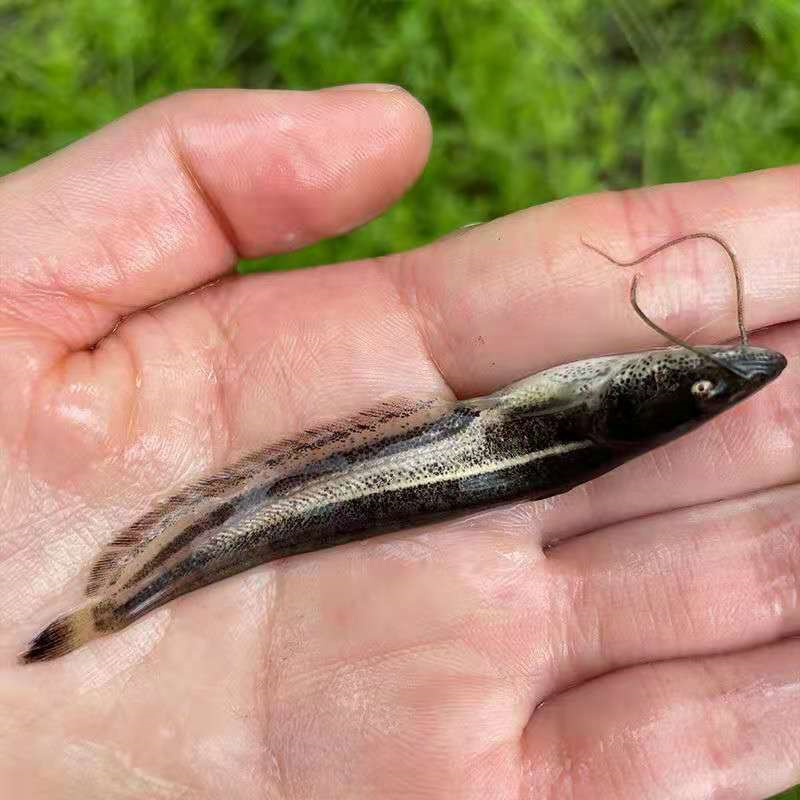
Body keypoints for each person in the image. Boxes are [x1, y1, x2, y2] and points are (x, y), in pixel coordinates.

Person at [1, 84, 797, 799]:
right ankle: (119, 602)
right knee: (261, 510)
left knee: (268, 510)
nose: (723, 374)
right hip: (457, 448)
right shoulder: (615, 410)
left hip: (455, 454)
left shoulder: (606, 413)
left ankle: (118, 605)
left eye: (704, 393)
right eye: (709, 386)